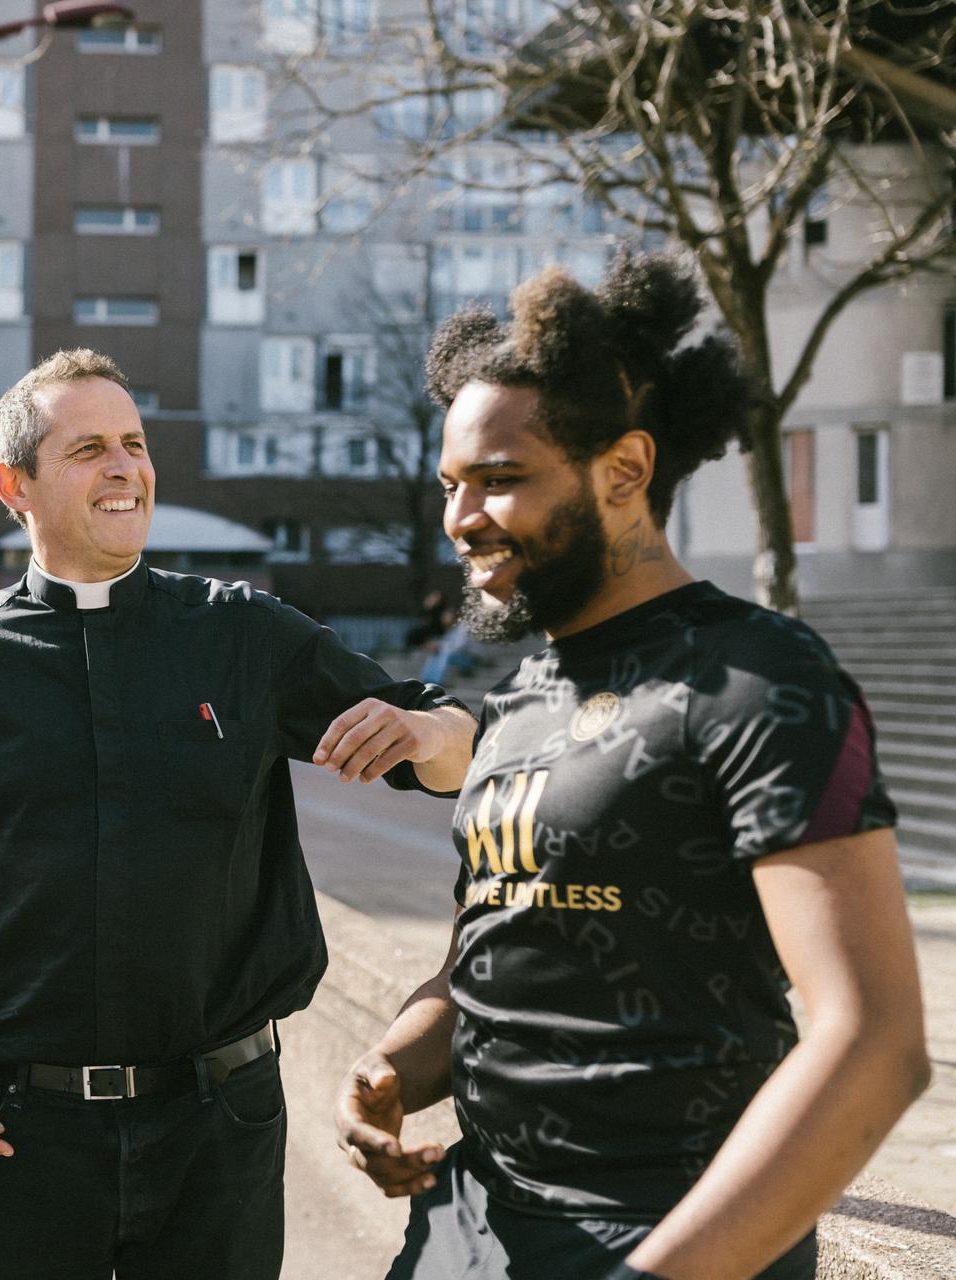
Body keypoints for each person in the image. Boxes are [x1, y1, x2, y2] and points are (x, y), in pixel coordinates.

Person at [334, 252, 929, 1280]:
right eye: (451, 482)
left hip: (678, 1234)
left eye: (501, 479)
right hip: (467, 1228)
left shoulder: (758, 677)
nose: (459, 518)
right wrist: (390, 1064)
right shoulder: (517, 703)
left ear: (625, 470)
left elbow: (874, 1041)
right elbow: (490, 957)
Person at [0, 348, 476, 1280]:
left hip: (222, 1128)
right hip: (19, 1137)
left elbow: (445, 747)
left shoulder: (243, 634)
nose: (126, 467)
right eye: (89, 447)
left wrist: (429, 730)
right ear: (16, 484)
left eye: (134, 443)